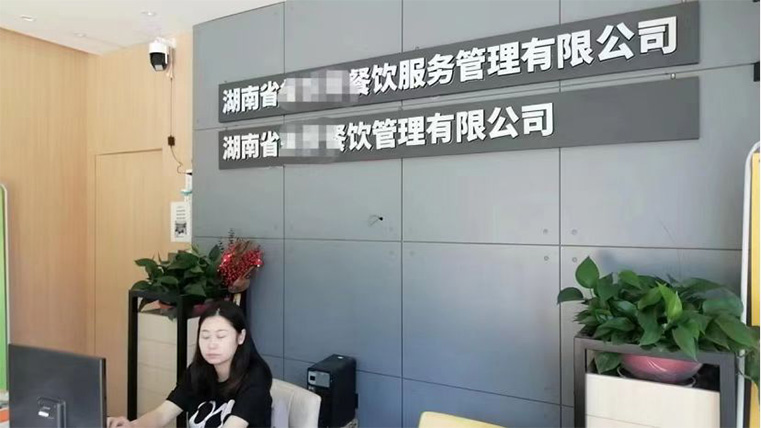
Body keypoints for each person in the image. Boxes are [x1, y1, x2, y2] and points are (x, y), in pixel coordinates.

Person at [108, 300, 273, 428]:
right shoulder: (198, 371)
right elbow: (161, 415)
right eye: (205, 336)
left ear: (240, 337)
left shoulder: (256, 377)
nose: (211, 344)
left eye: (221, 336)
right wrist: (133, 425)